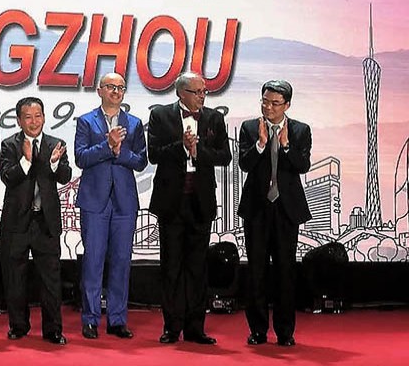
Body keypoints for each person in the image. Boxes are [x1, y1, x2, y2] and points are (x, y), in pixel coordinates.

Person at [147, 72, 231, 345]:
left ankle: (196, 327)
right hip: (171, 202)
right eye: (196, 92)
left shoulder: (214, 118)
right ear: (180, 93)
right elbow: (154, 153)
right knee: (171, 266)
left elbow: (225, 156)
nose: (202, 96)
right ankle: (171, 327)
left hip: (200, 202)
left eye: (204, 91)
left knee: (197, 267)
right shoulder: (161, 115)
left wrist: (198, 152)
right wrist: (181, 147)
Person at [74, 73, 147, 340]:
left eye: (120, 88)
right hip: (94, 200)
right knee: (93, 262)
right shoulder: (86, 121)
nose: (116, 92)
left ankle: (117, 319)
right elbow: (81, 158)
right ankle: (90, 318)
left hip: (124, 202)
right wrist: (107, 145)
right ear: (99, 90)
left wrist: (120, 152)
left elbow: (140, 161)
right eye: (111, 87)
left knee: (121, 261)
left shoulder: (135, 123)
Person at [238, 80, 311, 347]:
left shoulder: (301, 130)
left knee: (284, 271)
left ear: (287, 105)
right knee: (256, 271)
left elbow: (303, 166)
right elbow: (244, 164)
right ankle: (257, 330)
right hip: (257, 209)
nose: (268, 107)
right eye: (265, 101)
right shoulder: (249, 128)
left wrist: (287, 146)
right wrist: (260, 143)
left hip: (286, 210)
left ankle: (285, 332)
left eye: (275, 103)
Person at [0, 97, 72, 345]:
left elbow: (65, 176)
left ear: (44, 117)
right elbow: (8, 178)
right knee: (15, 277)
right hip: (17, 223)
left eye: (38, 115)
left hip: (45, 222)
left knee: (51, 279)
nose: (34, 121)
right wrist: (26, 160)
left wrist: (52, 162)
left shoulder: (56, 144)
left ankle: (53, 330)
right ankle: (18, 326)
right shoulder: (9, 145)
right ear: (19, 120)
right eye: (28, 117)